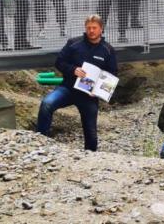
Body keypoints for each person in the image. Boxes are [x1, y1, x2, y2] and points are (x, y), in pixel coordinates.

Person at [36, 15, 118, 151]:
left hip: (89, 95)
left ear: (101, 29)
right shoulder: (73, 43)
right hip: (68, 89)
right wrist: (73, 70)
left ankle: (90, 159)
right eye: (88, 28)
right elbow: (59, 62)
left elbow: (113, 75)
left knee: (91, 133)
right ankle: (39, 143)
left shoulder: (108, 50)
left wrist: (98, 92)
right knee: (46, 104)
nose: (91, 31)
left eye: (94, 28)